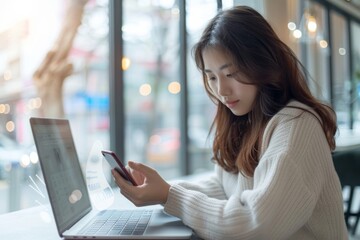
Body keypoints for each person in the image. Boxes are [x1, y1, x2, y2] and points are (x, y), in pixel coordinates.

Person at [112, 5, 348, 239]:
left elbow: (256, 225)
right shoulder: (247, 121)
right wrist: (160, 189)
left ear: (263, 63)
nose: (221, 90)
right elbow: (225, 189)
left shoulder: (297, 124)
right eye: (212, 77)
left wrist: (168, 195)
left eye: (231, 73)